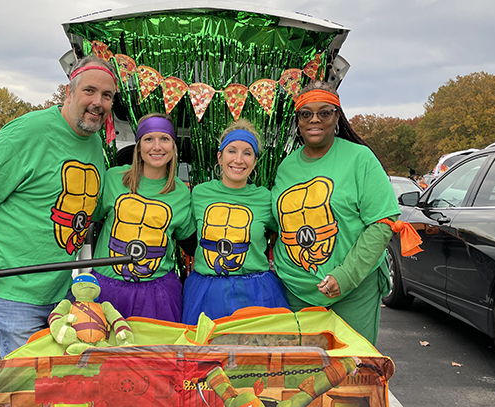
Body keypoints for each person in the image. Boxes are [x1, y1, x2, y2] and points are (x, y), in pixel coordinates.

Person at [0, 55, 116, 357]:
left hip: (61, 291)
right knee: (30, 383)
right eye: (89, 91)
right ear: (69, 92)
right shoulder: (27, 133)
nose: (98, 102)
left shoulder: (94, 143)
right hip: (15, 291)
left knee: (61, 378)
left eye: (107, 95)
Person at [271, 81, 406, 346]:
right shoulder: (286, 166)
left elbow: (382, 224)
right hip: (296, 291)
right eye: (306, 113)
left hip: (353, 292)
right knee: (304, 374)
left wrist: (344, 276)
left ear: (337, 117)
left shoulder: (360, 159)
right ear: (297, 120)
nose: (315, 119)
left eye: (325, 112)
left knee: (351, 373)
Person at [90, 113, 195, 322]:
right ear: (139, 146)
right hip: (107, 291)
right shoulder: (114, 179)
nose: (157, 147)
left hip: (157, 295)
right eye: (149, 139)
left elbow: (191, 244)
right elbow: (87, 216)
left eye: (164, 139)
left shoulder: (182, 193)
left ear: (173, 147)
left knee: (153, 354)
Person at [181, 119, 288, 324]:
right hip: (206, 293)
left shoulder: (265, 198)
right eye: (232, 151)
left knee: (253, 354)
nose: (239, 160)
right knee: (207, 353)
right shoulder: (199, 193)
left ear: (255, 161)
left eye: (247, 153)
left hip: (257, 294)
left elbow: (285, 232)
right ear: (220, 157)